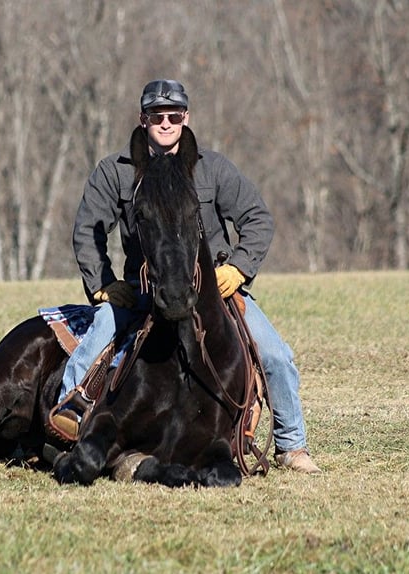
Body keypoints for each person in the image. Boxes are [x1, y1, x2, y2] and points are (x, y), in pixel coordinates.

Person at [51, 79, 320, 474]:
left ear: (186, 118)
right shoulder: (116, 172)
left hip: (215, 292)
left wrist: (239, 267)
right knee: (99, 334)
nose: (165, 123)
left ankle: (291, 445)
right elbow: (87, 230)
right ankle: (66, 421)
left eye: (173, 116)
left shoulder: (211, 169)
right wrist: (103, 285)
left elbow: (258, 218)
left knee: (276, 355)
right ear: (143, 120)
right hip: (142, 292)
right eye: (157, 116)